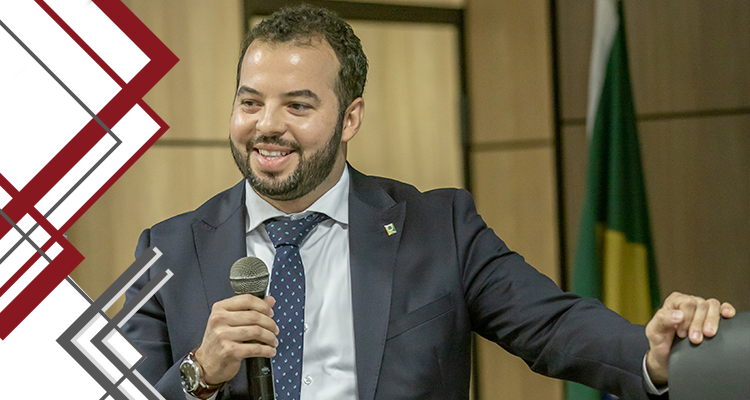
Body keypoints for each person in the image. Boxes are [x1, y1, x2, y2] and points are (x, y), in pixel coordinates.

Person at [122, 5, 735, 400]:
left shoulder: (439, 227)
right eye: (250, 102)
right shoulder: (167, 249)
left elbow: (551, 327)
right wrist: (200, 372)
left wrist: (649, 353)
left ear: (350, 118)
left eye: (298, 105)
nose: (267, 126)